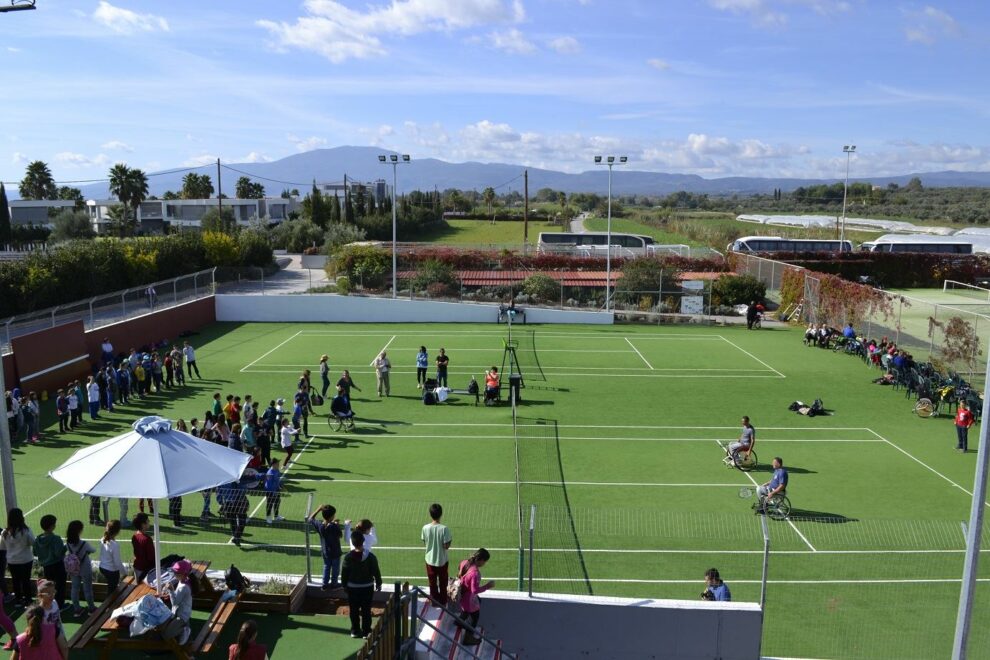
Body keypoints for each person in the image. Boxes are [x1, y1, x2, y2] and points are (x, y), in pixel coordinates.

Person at [341, 531, 382, 639]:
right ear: (363, 541)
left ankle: (355, 630)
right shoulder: (371, 557)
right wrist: (379, 582)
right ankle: (366, 631)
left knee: (353, 610)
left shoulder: (348, 557)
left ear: (352, 543)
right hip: (367, 588)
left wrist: (344, 585)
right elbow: (376, 571)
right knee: (366, 610)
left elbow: (344, 573)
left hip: (352, 588)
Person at [457, 548, 494, 646]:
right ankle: (468, 638)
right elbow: (474, 591)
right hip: (468, 598)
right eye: (484, 561)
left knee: (478, 600)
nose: (484, 564)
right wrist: (487, 586)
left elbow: (459, 572)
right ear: (481, 560)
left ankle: (460, 621)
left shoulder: (465, 562)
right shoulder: (475, 573)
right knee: (475, 617)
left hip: (461, 594)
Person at [2, 508, 36, 606]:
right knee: (26, 580)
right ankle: (28, 600)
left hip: (12, 561)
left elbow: (3, 546)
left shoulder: (5, 532)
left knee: (15, 580)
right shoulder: (26, 530)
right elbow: (32, 542)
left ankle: (18, 600)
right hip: (26, 560)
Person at [32, 516, 66, 609]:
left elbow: (34, 552)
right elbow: (58, 553)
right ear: (52, 526)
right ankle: (60, 605)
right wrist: (65, 547)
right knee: (60, 585)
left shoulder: (38, 539)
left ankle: (51, 603)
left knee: (50, 586)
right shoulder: (55, 539)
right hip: (57, 565)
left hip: (46, 566)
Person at [422, 503, 452, 605]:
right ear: (441, 514)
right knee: (443, 582)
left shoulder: (425, 528)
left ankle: (434, 601)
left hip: (429, 560)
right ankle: (443, 601)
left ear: (430, 514)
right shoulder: (444, 529)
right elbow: (446, 546)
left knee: (432, 583)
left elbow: (425, 541)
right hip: (442, 560)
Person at [307, 505, 343, 590]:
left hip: (325, 551)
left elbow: (310, 519)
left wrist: (318, 509)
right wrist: (336, 524)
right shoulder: (334, 527)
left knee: (326, 567)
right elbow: (340, 535)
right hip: (335, 552)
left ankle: (325, 584)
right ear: (332, 516)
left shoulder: (320, 525)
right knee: (335, 569)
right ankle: (334, 584)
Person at [64, 521, 95, 616]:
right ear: (79, 531)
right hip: (85, 567)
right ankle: (91, 608)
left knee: (75, 588)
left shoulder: (68, 543)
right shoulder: (84, 544)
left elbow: (64, 550)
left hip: (73, 569)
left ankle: (77, 609)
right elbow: (93, 550)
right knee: (87, 589)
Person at [163, 560, 193, 645]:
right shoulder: (185, 580)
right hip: (184, 612)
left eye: (176, 573)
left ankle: (184, 630)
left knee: (166, 635)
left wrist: (171, 590)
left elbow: (175, 603)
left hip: (181, 615)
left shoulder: (183, 587)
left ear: (182, 574)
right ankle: (184, 625)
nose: (174, 575)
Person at [98, 520, 125, 594]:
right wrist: (124, 572)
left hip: (102, 567)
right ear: (118, 531)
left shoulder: (103, 539)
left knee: (111, 588)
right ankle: (109, 605)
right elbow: (117, 562)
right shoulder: (115, 545)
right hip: (111, 571)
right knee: (112, 592)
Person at [130, 513, 155, 582]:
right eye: (148, 521)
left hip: (137, 567)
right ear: (143, 524)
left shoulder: (134, 536)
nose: (149, 522)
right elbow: (151, 557)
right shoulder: (147, 539)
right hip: (145, 569)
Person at [264, 459, 284, 525]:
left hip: (276, 489)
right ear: (273, 464)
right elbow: (269, 485)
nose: (279, 465)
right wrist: (274, 492)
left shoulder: (277, 470)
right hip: (270, 491)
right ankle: (268, 517)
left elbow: (278, 479)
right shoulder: (270, 473)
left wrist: (280, 485)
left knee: (277, 502)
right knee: (270, 504)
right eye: (277, 464)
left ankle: (276, 516)